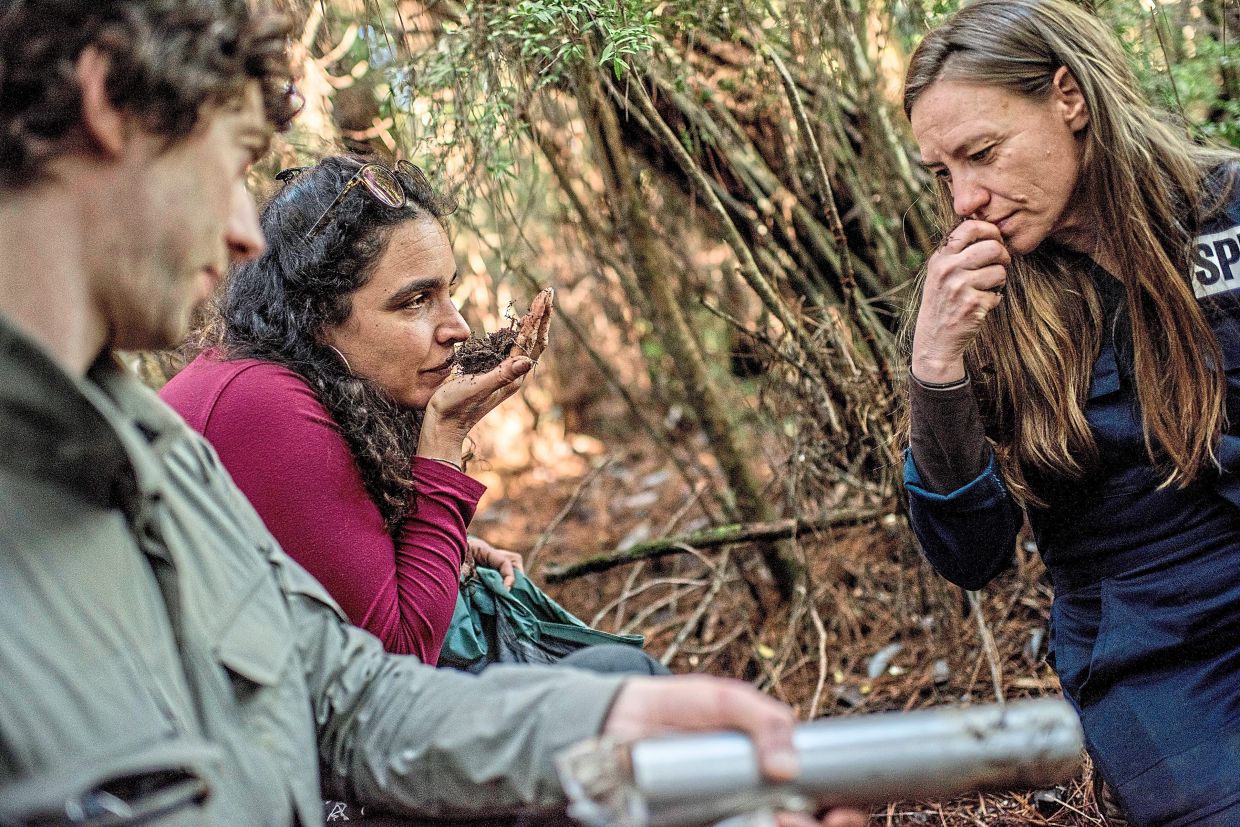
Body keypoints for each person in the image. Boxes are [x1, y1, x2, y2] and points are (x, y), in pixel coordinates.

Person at [0, 1, 867, 825]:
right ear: (110, 100)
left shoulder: (153, 452)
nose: (245, 238)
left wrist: (611, 722)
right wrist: (443, 455)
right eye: (230, 163)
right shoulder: (257, 399)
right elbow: (399, 644)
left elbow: (348, 695)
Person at [900, 1, 1240, 824]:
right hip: (1155, 649)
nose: (967, 200)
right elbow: (973, 556)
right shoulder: (979, 303)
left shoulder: (1226, 207)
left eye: (982, 153)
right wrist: (936, 367)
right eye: (942, 174)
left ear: (1070, 97)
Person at [158, 155, 662, 674]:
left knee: (618, 672)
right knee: (629, 678)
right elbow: (400, 659)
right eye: (416, 301)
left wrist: (440, 548)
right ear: (317, 317)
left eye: (450, 291)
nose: (458, 327)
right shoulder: (261, 402)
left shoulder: (278, 379)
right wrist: (444, 439)